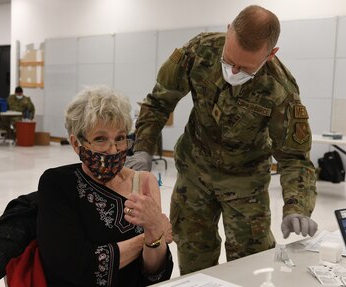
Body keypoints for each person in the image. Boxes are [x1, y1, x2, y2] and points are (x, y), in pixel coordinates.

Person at [126, 5, 318, 275]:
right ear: (229, 31)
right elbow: (159, 101)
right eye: (229, 62)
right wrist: (143, 148)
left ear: (270, 54)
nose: (234, 71)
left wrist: (297, 206)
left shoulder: (280, 90)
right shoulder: (199, 51)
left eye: (245, 68)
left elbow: (294, 158)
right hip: (194, 173)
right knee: (194, 261)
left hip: (245, 185)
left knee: (252, 266)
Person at [36, 85, 173, 286]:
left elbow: (155, 275)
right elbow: (71, 266)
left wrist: (154, 238)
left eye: (119, 138)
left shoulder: (144, 183)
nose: (113, 149)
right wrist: (150, 234)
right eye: (100, 139)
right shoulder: (57, 183)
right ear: (76, 144)